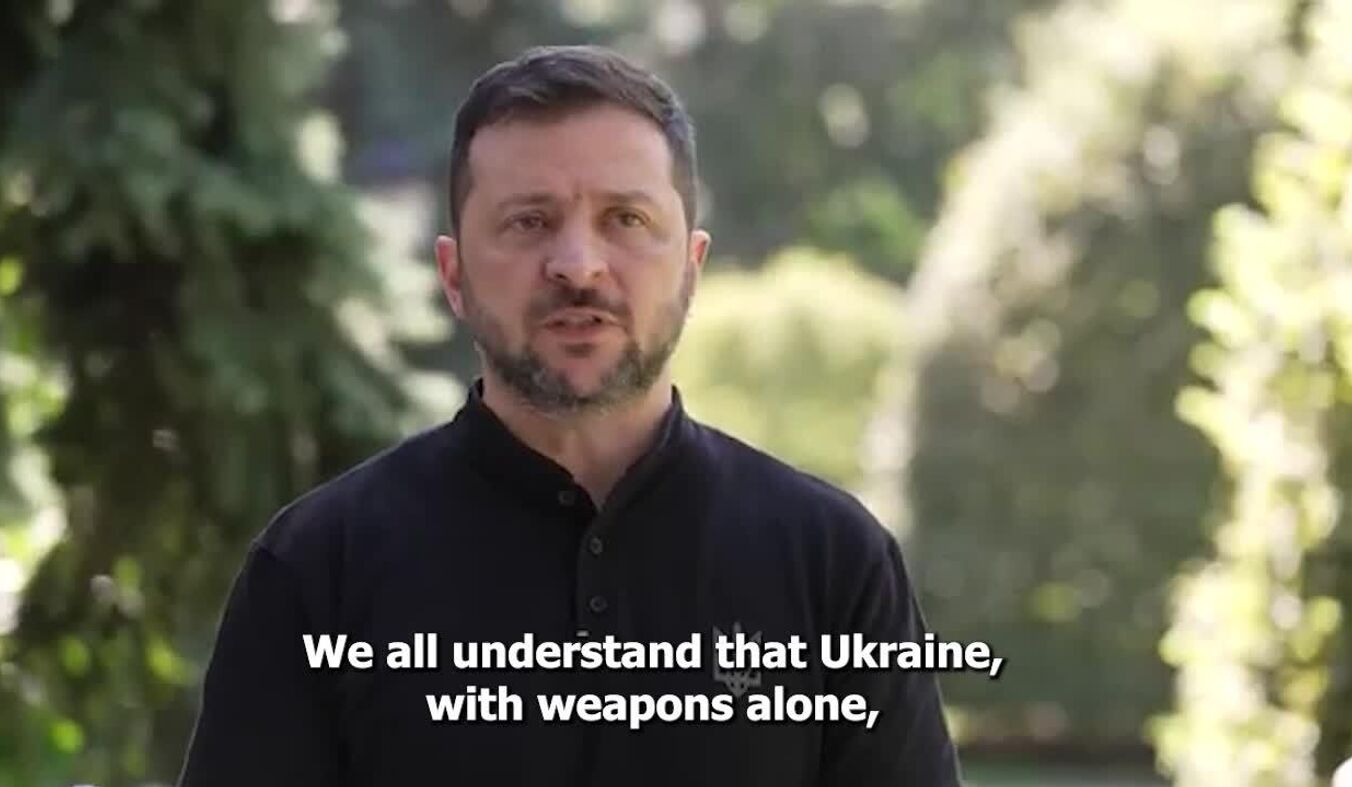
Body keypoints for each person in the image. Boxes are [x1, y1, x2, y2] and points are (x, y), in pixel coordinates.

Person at [178, 44, 961, 786]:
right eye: (529, 221)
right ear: (453, 275)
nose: (579, 265)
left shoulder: (833, 564)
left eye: (626, 219)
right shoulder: (318, 571)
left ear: (690, 268)